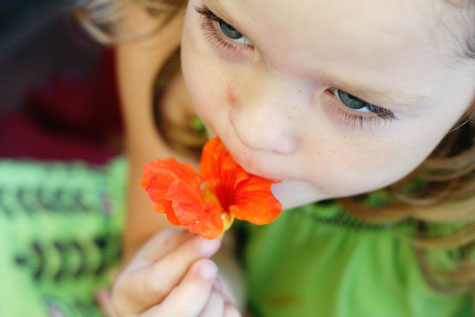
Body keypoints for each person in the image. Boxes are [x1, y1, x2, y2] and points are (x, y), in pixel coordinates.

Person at [76, 0, 475, 316]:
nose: (254, 129)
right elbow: (158, 238)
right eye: (229, 30)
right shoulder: (163, 31)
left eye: (354, 101)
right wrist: (195, 294)